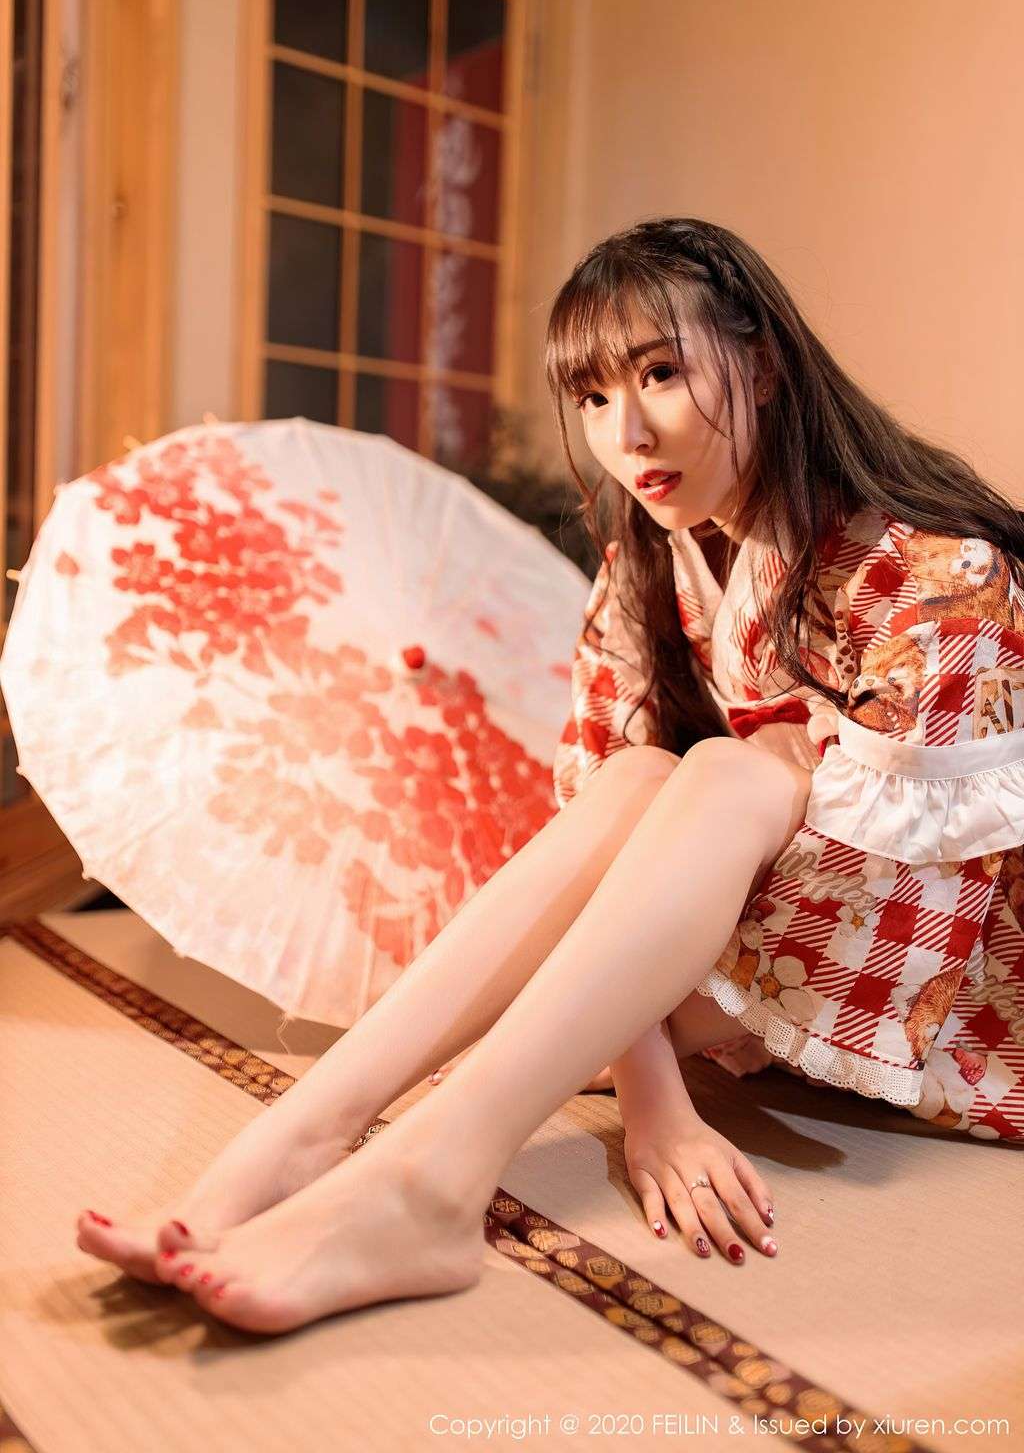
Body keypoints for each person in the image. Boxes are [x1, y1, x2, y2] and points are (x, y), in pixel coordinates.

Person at [75, 217, 1024, 1337]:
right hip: (710, 954)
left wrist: (762, 773)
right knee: (642, 778)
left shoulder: (939, 570)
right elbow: (604, 811)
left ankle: (424, 1183)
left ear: (764, 364)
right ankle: (298, 1140)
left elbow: (898, 914)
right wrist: (653, 1101)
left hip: (935, 977)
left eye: (661, 374)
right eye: (591, 395)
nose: (625, 432)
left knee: (730, 770)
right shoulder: (649, 557)